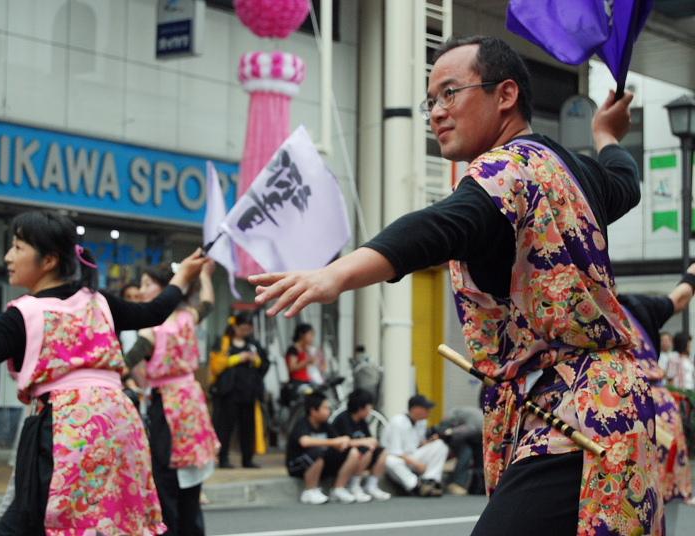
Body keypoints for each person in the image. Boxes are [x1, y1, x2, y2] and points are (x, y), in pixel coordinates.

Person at [250, 35, 662, 534]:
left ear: (505, 94)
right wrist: (606, 133)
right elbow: (625, 182)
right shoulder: (570, 172)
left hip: (573, 419)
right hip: (608, 408)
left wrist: (336, 274)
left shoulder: (502, 172)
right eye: (430, 101)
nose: (437, 112)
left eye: (450, 93)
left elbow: (437, 226)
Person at [0, 210, 207, 534]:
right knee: (105, 524)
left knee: (32, 523)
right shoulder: (97, 301)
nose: (8, 256)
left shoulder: (26, 314)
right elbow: (155, 311)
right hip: (118, 423)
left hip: (64, 428)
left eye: (17, 248)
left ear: (48, 260)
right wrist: (182, 276)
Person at [122, 259, 220, 536]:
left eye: (146, 284)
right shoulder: (188, 316)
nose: (141, 291)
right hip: (192, 404)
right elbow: (209, 303)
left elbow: (124, 364)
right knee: (190, 483)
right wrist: (205, 276)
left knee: (165, 481)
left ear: (169, 288)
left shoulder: (152, 328)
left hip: (167, 406)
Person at [618, 267, 695, 506]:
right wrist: (691, 276)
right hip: (657, 402)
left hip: (621, 404)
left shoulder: (578, 312)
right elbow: (679, 298)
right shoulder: (636, 307)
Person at [286, 392, 372, 504]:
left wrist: (345, 443)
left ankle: (339, 488)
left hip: (320, 463)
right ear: (313, 410)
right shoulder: (303, 423)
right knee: (318, 452)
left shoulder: (325, 425)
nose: (329, 411)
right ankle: (309, 491)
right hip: (297, 465)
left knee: (353, 453)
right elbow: (305, 441)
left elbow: (339, 442)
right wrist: (333, 442)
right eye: (325, 408)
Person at [210, 311, 269, 469]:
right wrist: (239, 358)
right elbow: (216, 366)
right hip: (228, 393)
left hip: (248, 392)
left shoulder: (253, 344)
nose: (245, 332)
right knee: (225, 427)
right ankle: (223, 458)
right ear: (234, 326)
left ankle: (247, 459)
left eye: (248, 329)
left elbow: (264, 364)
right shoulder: (223, 342)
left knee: (248, 427)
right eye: (242, 328)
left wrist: (255, 360)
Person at [380, 395, 448, 497]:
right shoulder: (398, 422)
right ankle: (416, 486)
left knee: (440, 445)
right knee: (390, 460)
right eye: (425, 408)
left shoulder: (421, 422)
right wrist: (416, 463)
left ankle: (430, 480)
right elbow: (395, 451)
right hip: (399, 459)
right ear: (415, 409)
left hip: (412, 456)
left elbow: (417, 444)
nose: (428, 411)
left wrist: (429, 442)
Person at [330, 389, 391, 500]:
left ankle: (371, 485)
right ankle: (345, 486)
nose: (370, 410)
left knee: (382, 452)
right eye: (369, 407)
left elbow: (369, 438)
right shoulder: (342, 419)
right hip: (340, 456)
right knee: (362, 451)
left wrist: (372, 442)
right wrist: (365, 442)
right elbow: (342, 442)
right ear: (360, 407)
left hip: (358, 455)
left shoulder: (362, 421)